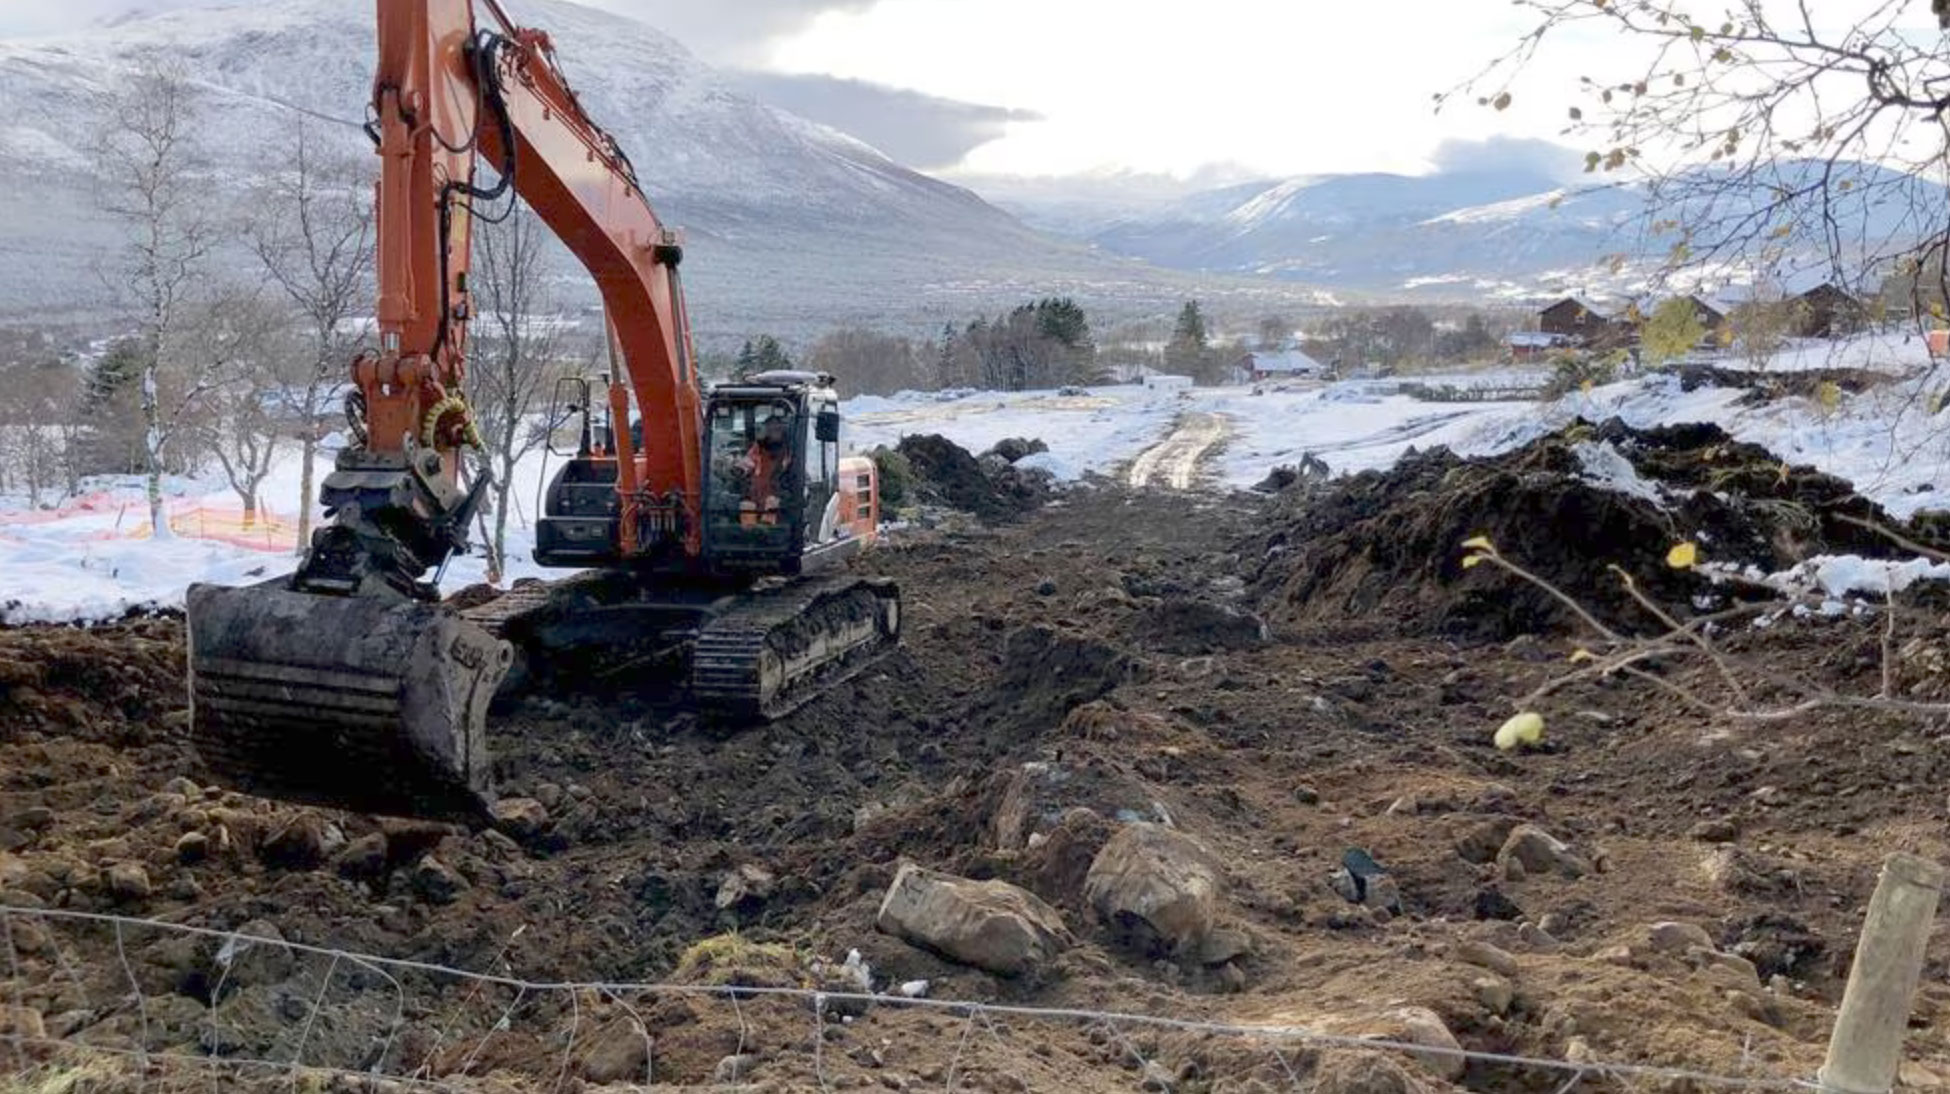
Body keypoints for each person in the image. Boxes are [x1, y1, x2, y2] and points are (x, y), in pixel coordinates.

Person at [735, 415, 794, 522]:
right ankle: (748, 533)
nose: (773, 431)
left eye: (776, 428)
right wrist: (739, 469)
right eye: (770, 428)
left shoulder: (790, 450)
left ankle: (769, 531)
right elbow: (748, 461)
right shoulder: (759, 447)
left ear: (782, 429)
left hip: (780, 495)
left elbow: (791, 471)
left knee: (771, 503)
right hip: (757, 494)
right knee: (746, 506)